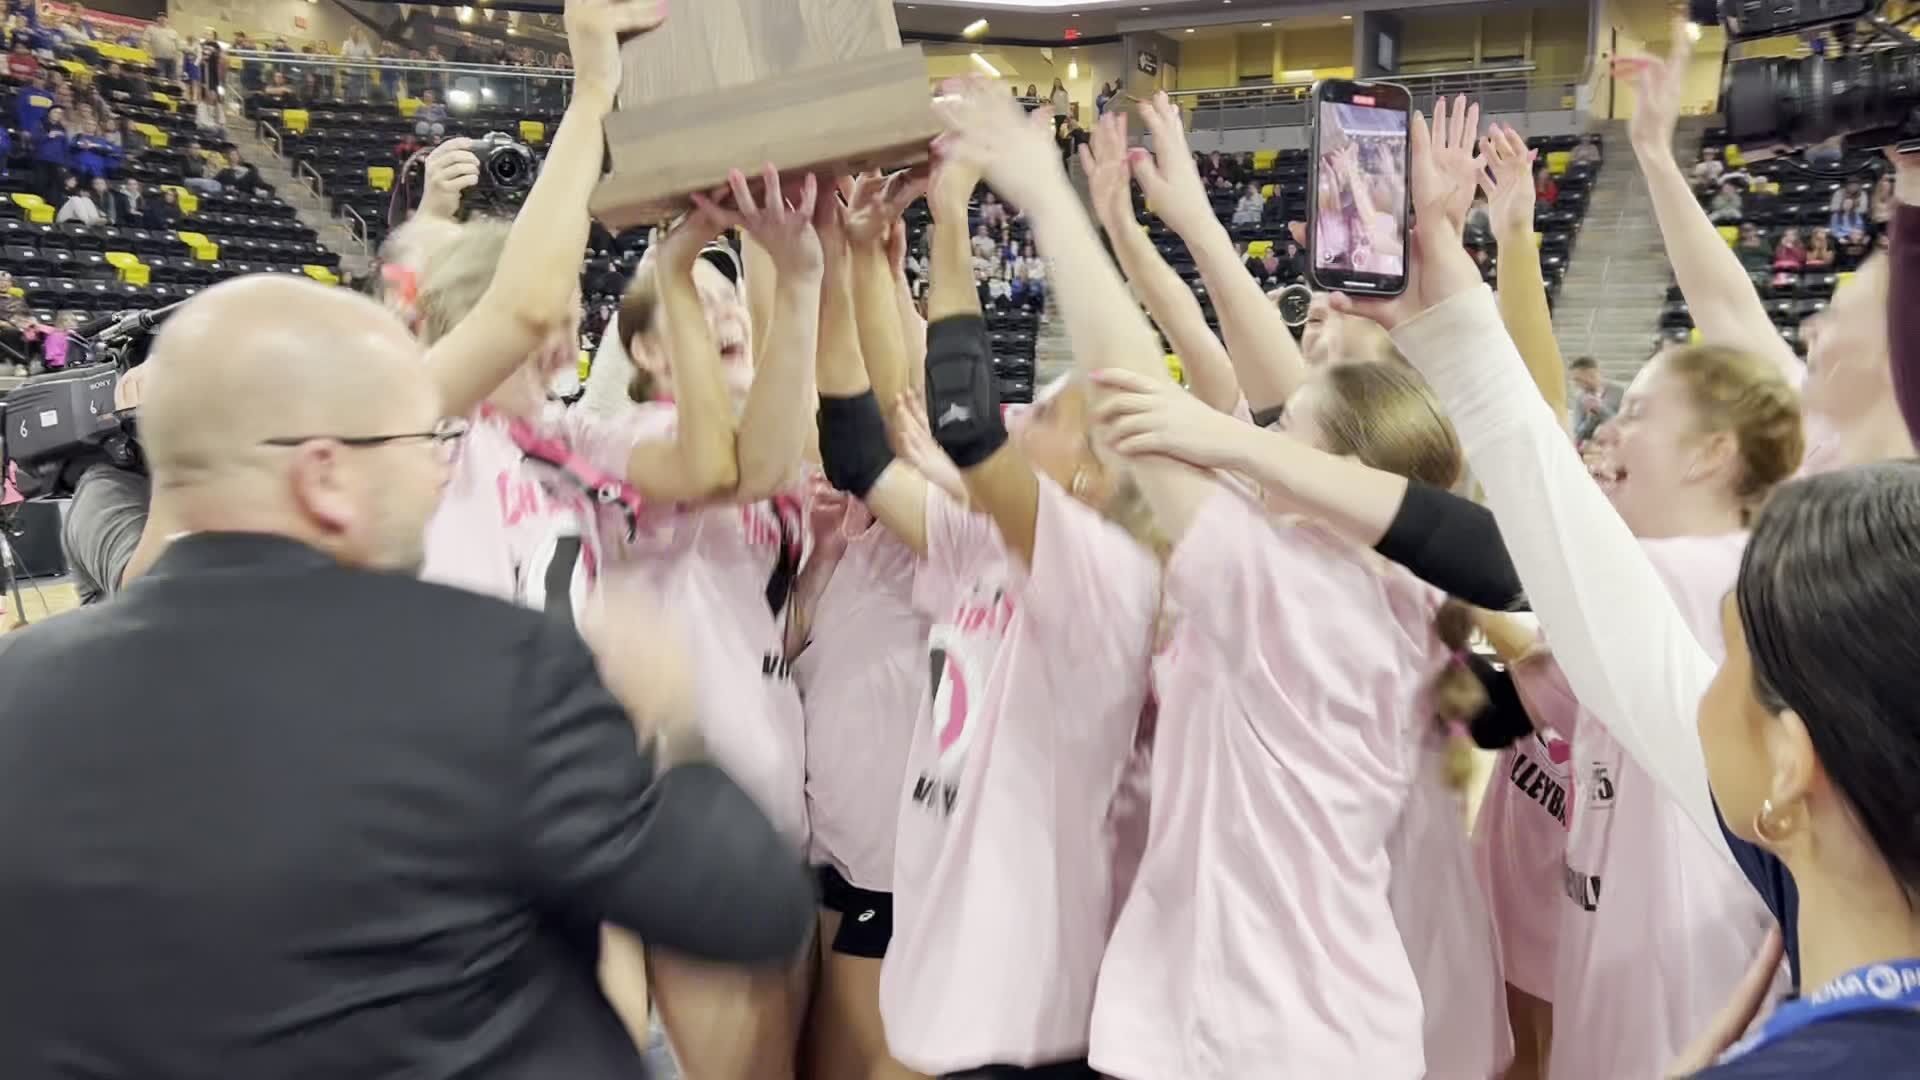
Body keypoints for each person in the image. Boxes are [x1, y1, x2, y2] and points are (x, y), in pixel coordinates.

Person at [0, 266, 815, 1079]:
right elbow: (747, 905)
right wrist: (667, 726)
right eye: (419, 443)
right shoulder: (489, 670)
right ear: (323, 474)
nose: (435, 471)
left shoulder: (22, 687)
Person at [1567, 355, 1623, 442]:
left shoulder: (1619, 392)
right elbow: (1579, 433)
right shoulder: (1580, 398)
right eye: (1575, 380)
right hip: (1590, 448)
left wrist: (1600, 409)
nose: (1577, 384)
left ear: (1593, 374)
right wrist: (1591, 416)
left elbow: (1623, 424)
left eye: (1579, 379)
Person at [144, 11, 181, 80]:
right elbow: (145, 43)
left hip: (172, 60)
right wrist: (149, 56)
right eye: (160, 17)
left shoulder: (173, 32)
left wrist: (177, 57)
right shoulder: (151, 29)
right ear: (157, 19)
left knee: (173, 80)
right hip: (157, 59)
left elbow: (178, 47)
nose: (162, 19)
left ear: (167, 20)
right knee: (160, 79)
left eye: (164, 17)